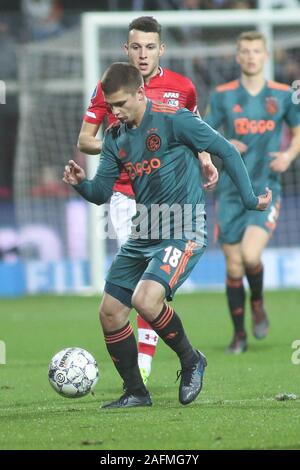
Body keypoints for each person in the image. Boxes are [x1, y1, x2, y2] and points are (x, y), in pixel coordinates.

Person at [63, 62, 271, 408]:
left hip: (184, 227)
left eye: (120, 104)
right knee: (111, 311)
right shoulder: (115, 137)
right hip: (145, 231)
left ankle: (191, 360)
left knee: (146, 300)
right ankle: (135, 392)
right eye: (110, 106)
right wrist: (79, 184)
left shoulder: (175, 119)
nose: (113, 112)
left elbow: (226, 150)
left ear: (140, 94)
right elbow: (102, 191)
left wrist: (250, 199)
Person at [77, 16, 218, 384]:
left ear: (161, 49)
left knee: (147, 289)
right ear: (126, 49)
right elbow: (85, 140)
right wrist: (120, 146)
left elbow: (196, 133)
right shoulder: (111, 87)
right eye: (136, 47)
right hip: (126, 193)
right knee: (138, 286)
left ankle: (147, 360)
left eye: (149, 47)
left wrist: (204, 160)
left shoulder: (182, 88)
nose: (142, 54)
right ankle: (143, 367)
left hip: (171, 199)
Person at [205, 31, 300, 354]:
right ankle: (239, 334)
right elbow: (203, 133)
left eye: (256, 51)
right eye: (244, 51)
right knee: (233, 267)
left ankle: (257, 301)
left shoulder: (284, 95)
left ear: (266, 56)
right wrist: (224, 144)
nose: (250, 56)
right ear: (237, 56)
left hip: (266, 188)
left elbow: (298, 131)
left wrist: (288, 156)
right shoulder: (222, 96)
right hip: (230, 193)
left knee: (249, 256)